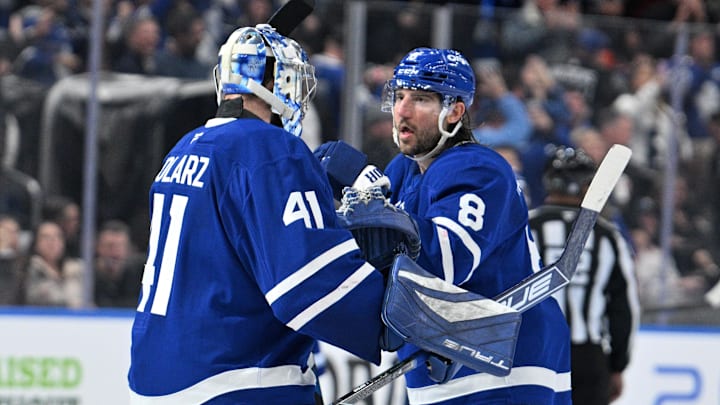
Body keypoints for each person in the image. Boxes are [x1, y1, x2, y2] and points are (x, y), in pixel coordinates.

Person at [127, 23, 409, 404]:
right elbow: (308, 285)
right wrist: (400, 319)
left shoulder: (183, 149)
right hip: (234, 380)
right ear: (267, 84)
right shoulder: (271, 147)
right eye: (291, 81)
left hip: (154, 378)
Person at [381, 48, 571, 404]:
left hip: (504, 363)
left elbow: (447, 263)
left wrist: (378, 222)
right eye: (399, 96)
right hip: (446, 358)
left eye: (421, 99)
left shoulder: (477, 167)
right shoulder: (403, 171)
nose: (402, 111)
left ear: (454, 111)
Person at [528, 146, 640, 405]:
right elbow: (624, 307)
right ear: (588, 185)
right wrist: (618, 365)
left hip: (533, 353)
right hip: (587, 357)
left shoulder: (525, 228)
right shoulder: (608, 236)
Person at [24, 220, 85, 308]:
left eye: (57, 236)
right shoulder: (28, 270)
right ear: (35, 243)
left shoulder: (77, 268)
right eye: (45, 237)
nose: (52, 241)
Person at [93, 219, 144, 308]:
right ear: (98, 247)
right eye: (110, 246)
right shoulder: (87, 277)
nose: (115, 252)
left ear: (128, 249)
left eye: (120, 246)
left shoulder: (139, 275)